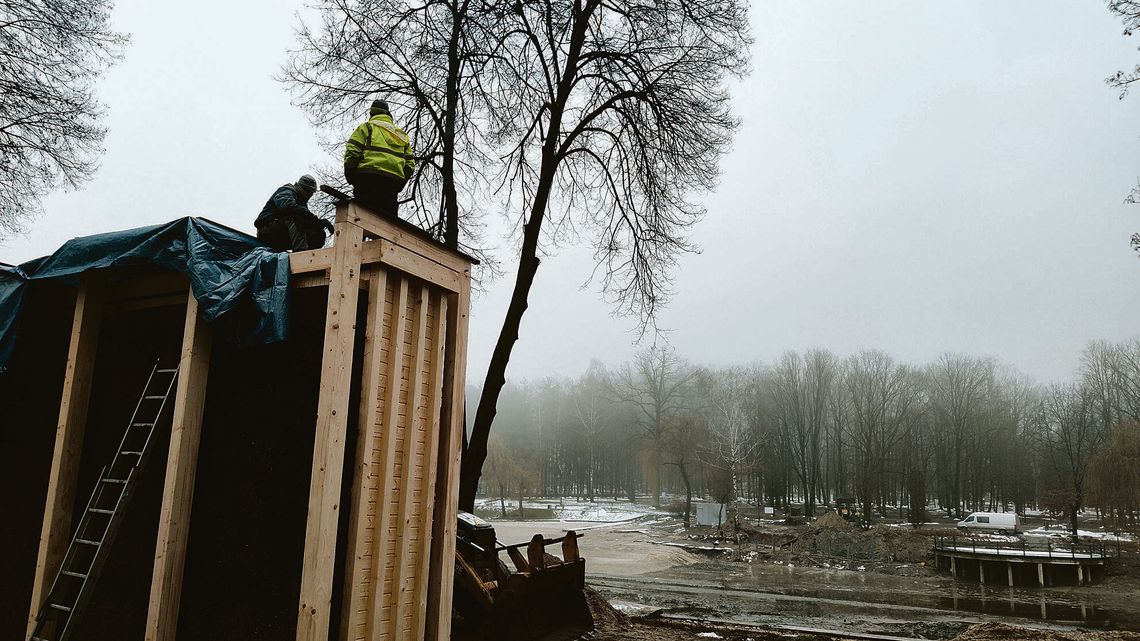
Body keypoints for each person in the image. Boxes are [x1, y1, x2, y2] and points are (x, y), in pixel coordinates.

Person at [344, 99, 416, 218]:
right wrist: (400, 183)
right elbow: (410, 165)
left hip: (367, 179)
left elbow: (352, 151)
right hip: (391, 184)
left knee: (360, 219)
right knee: (387, 224)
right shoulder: (401, 135)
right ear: (388, 114)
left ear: (372, 114)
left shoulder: (366, 128)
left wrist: (350, 173)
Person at [255, 175, 334, 252]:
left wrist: (318, 223)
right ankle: (300, 254)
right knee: (297, 216)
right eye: (311, 193)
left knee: (316, 230)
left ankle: (311, 257)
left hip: (282, 234)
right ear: (305, 190)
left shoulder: (301, 203)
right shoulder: (287, 190)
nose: (311, 196)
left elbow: (307, 218)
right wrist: (311, 217)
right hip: (267, 230)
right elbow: (286, 206)